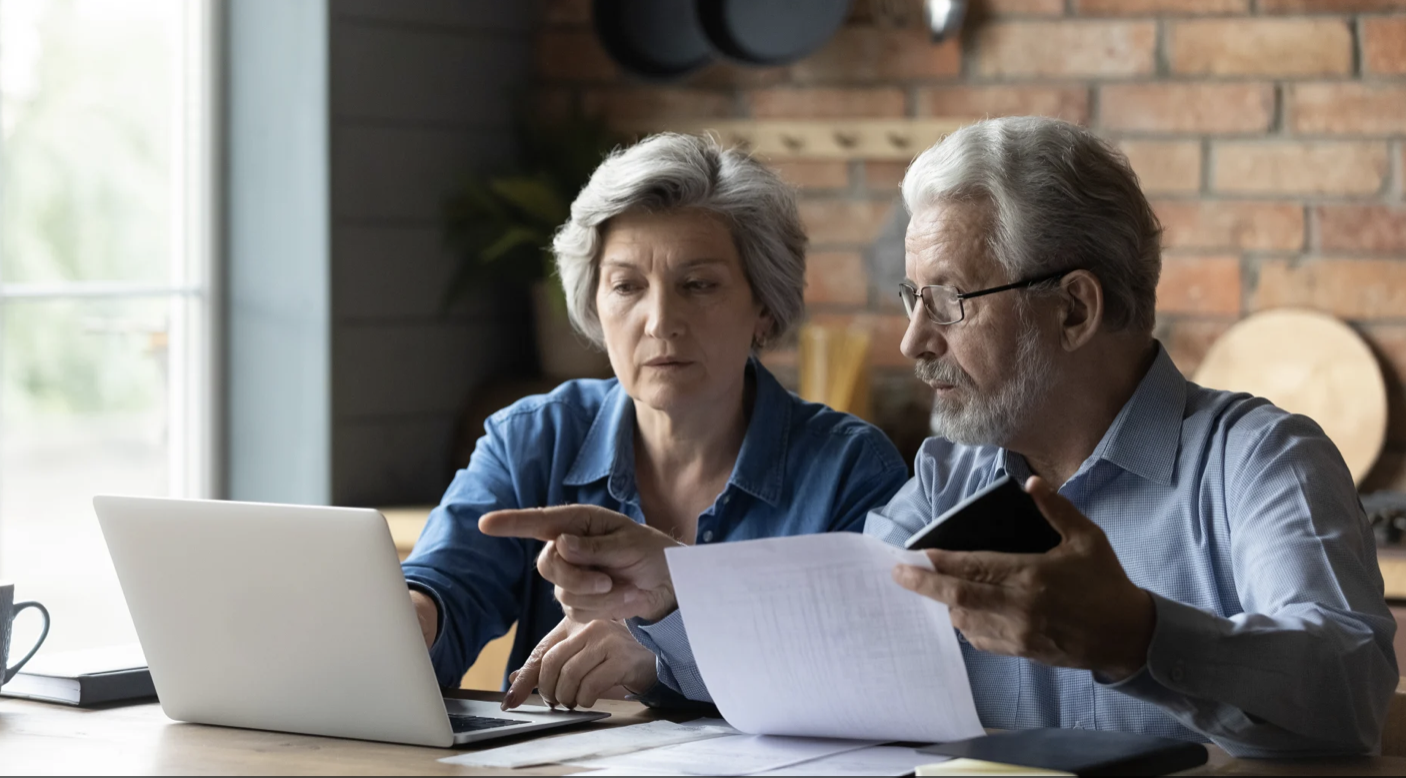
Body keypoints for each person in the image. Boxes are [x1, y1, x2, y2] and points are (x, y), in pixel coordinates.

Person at [496, 117, 1398, 757]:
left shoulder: (1258, 459)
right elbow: (833, 641)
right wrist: (674, 590)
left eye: (949, 302)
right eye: (910, 299)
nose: (912, 342)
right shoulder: (948, 475)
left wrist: (1137, 636)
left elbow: (1350, 693)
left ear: (1075, 308)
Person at [402, 133, 908, 712]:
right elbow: (448, 585)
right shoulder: (532, 439)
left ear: (764, 307)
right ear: (595, 304)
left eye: (699, 285)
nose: (661, 321)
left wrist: (666, 658)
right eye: (627, 286)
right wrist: (412, 622)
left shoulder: (850, 470)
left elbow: (869, 673)